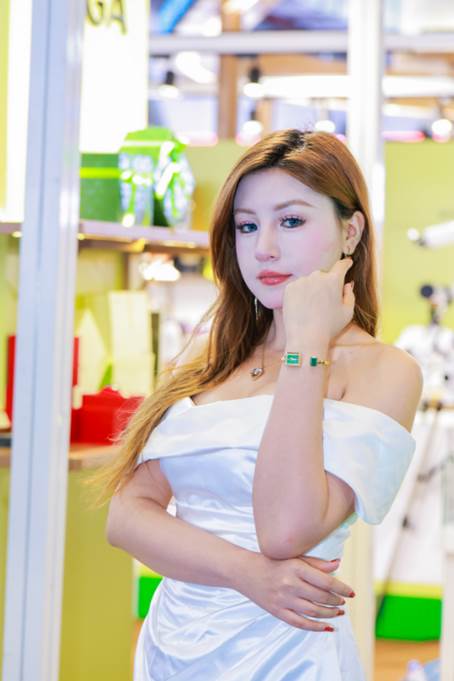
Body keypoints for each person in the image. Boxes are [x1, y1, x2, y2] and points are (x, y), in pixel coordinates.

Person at [94, 129, 423, 680]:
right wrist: (248, 573)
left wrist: (307, 344)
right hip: (170, 647)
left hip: (288, 656)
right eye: (247, 225)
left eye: (290, 221)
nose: (264, 247)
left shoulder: (386, 370)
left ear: (350, 231)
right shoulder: (205, 359)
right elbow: (126, 518)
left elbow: (285, 530)